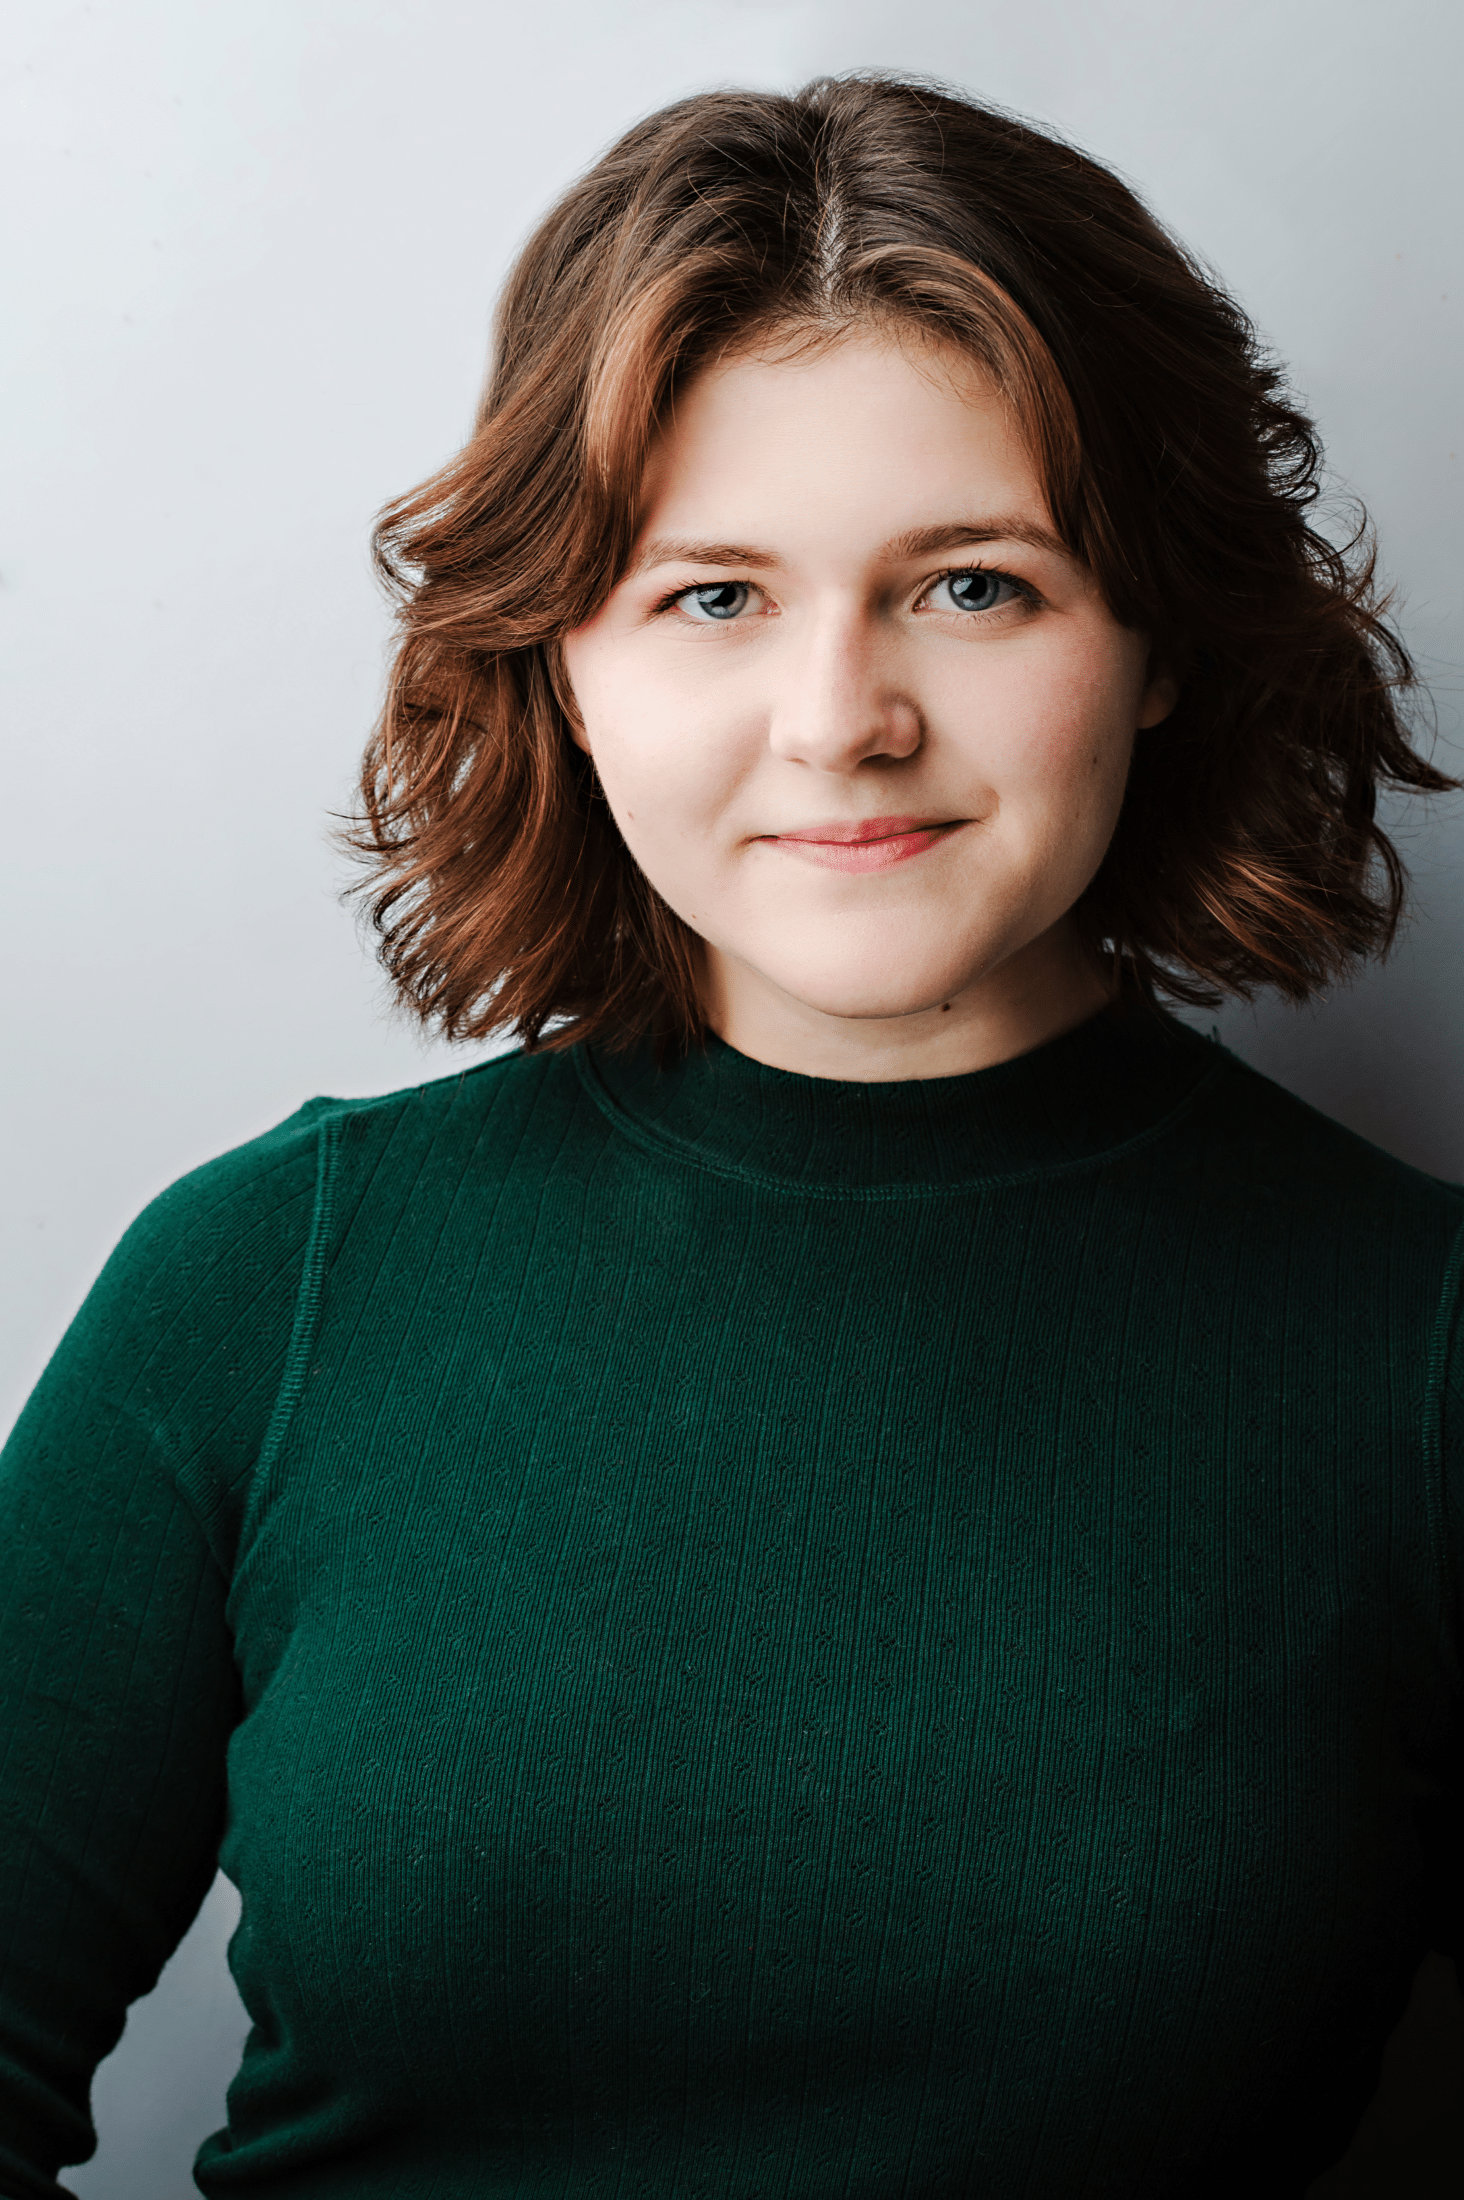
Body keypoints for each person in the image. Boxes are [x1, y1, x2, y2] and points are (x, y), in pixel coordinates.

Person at [0, 71, 1459, 2200]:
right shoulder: (272, 1284)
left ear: (1154, 639)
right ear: (567, 665)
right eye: (713, 595)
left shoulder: (1413, 1345)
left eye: (972, 585)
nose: (839, 715)